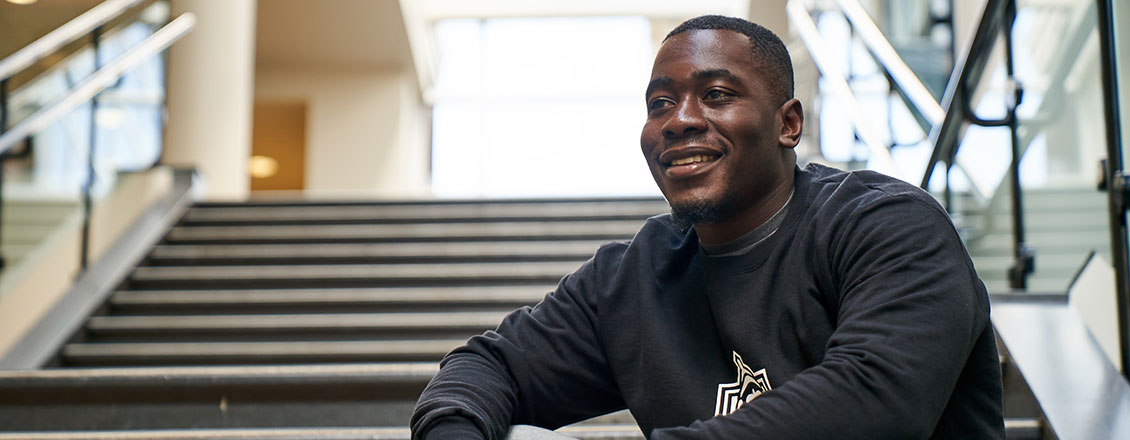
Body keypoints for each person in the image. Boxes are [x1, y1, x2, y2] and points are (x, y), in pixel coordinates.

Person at [411, 15, 1004, 439]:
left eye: (716, 95)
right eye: (659, 103)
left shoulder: (885, 225)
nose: (678, 121)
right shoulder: (631, 277)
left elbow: (878, 399)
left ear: (787, 124)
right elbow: (488, 366)